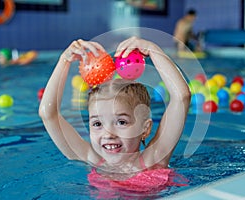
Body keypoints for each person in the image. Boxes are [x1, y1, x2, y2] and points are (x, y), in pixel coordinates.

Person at [39, 37, 190, 192]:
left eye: (121, 122)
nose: (108, 133)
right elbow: (48, 114)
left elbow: (181, 97)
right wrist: (64, 60)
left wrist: (152, 49)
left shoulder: (153, 159)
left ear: (145, 129)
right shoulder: (92, 159)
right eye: (97, 124)